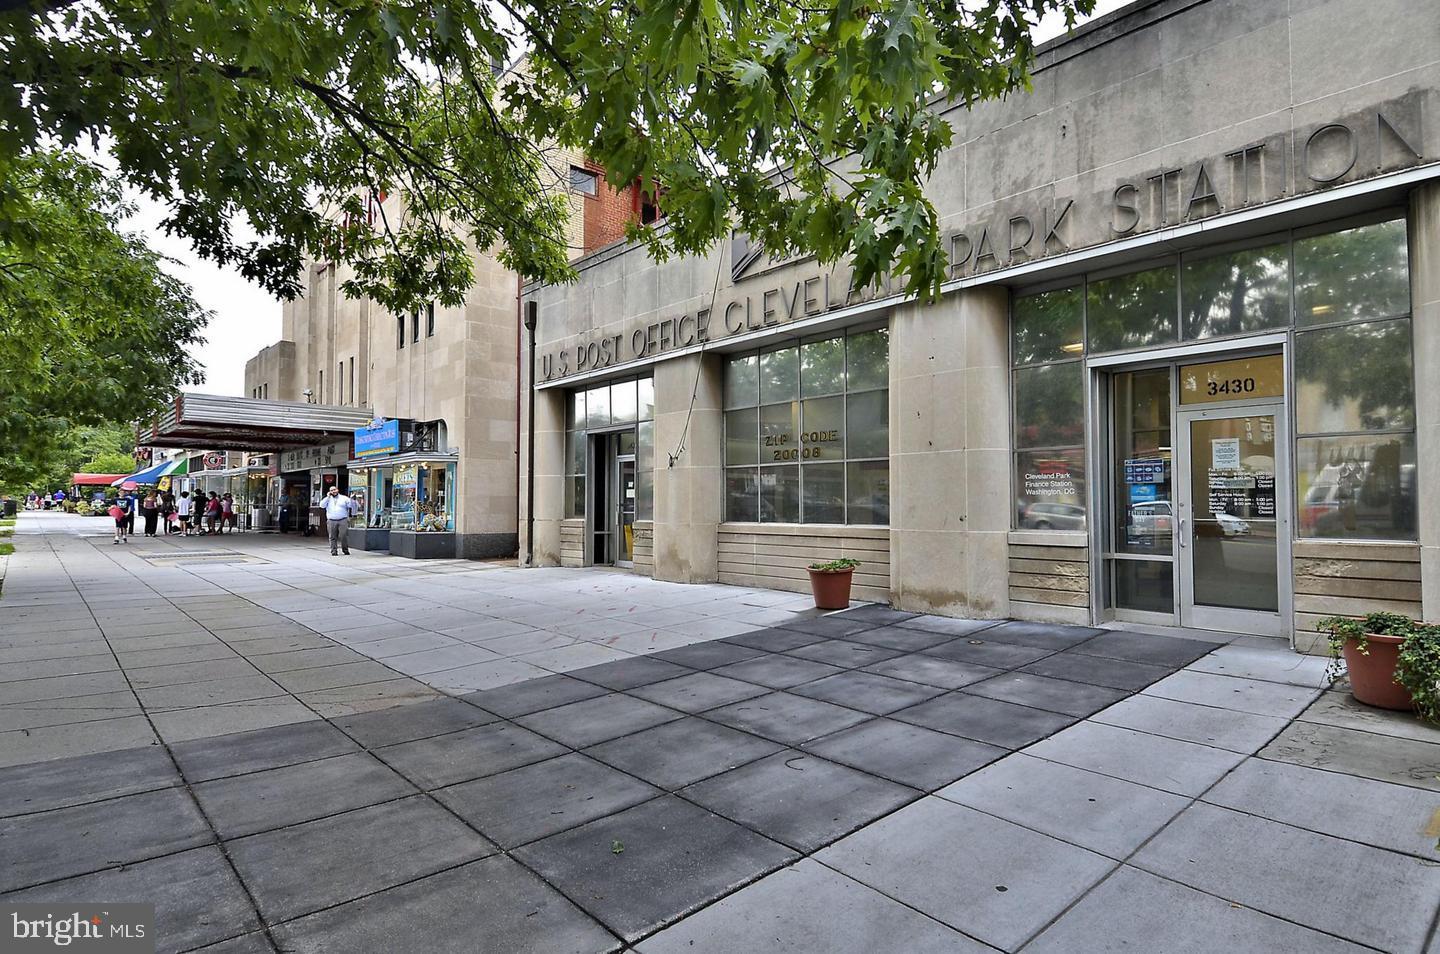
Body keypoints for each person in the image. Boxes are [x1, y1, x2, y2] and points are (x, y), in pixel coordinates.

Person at [322, 485, 356, 555]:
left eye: (334, 489)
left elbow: (351, 505)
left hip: (342, 519)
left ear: (337, 490)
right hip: (331, 520)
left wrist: (352, 500)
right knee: (332, 537)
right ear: (329, 492)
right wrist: (327, 497)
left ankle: (345, 550)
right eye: (331, 490)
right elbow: (321, 505)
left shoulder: (344, 498)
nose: (333, 491)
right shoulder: (328, 499)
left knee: (343, 535)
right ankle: (334, 551)